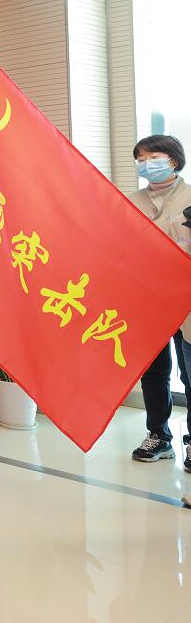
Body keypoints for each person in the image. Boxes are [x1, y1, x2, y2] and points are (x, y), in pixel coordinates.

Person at [128, 135, 191, 471]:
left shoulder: (190, 197)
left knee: (190, 373)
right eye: (140, 159)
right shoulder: (129, 202)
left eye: (153, 157)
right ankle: (158, 435)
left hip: (187, 299)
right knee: (153, 372)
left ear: (174, 160)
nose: (146, 164)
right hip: (146, 298)